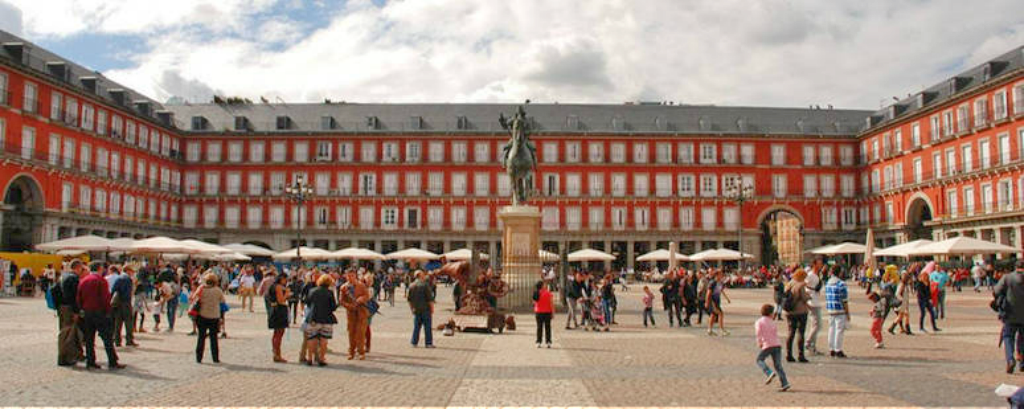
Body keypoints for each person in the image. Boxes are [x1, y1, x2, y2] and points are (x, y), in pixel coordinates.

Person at [77, 264, 125, 370]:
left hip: (87, 312)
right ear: (100, 269)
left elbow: (79, 296)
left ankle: (90, 361)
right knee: (107, 337)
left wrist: (82, 309)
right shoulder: (100, 280)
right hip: (99, 312)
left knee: (89, 338)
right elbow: (105, 297)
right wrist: (108, 311)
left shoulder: (83, 280)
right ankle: (112, 361)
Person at [996, 260, 1024, 373]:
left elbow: (996, 291)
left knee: (1008, 337)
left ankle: (1010, 360)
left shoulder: (1007, 278)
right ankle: (1023, 362)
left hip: (1010, 313)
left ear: (1015, 267)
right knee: (1023, 338)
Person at [755, 304, 791, 392]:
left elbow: (758, 333)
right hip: (777, 345)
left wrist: (760, 343)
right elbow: (775, 333)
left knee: (759, 360)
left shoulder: (759, 322)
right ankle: (785, 382)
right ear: (771, 313)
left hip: (767, 344)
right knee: (778, 365)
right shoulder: (772, 322)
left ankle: (769, 372)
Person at [304, 274, 338, 366]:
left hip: (313, 317)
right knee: (324, 339)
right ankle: (322, 359)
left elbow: (307, 302)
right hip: (326, 318)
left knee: (311, 338)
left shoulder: (312, 291)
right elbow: (333, 307)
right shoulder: (329, 292)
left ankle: (309, 358)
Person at [56, 260, 85, 366]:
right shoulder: (73, 278)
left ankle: (70, 355)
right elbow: (74, 297)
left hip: (62, 307)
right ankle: (64, 358)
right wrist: (76, 311)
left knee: (66, 332)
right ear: (78, 267)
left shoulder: (63, 276)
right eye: (81, 268)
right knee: (68, 334)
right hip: (69, 308)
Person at [195, 273, 225, 363]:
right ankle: (215, 358)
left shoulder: (202, 289)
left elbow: (195, 298)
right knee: (214, 338)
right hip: (214, 316)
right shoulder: (218, 290)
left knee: (201, 337)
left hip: (202, 315)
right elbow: (222, 301)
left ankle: (199, 357)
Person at [341, 269, 371, 359]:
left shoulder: (361, 285)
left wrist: (361, 298)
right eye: (348, 276)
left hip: (361, 313)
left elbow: (367, 295)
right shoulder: (344, 287)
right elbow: (341, 301)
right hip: (351, 313)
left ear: (355, 276)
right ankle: (351, 352)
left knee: (361, 333)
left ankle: (361, 352)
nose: (350, 278)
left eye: (352, 276)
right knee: (351, 333)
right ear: (346, 276)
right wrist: (349, 306)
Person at [784, 270, 811, 363]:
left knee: (790, 333)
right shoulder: (801, 285)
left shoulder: (789, 283)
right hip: (800, 312)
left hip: (789, 312)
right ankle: (801, 355)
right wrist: (809, 296)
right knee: (800, 333)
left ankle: (789, 354)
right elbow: (804, 298)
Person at [265, 274, 291, 363]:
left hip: (274, 309)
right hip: (279, 310)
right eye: (285, 279)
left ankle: (275, 353)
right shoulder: (279, 287)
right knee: (279, 333)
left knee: (276, 333)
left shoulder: (272, 286)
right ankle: (277, 354)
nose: (286, 281)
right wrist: (287, 294)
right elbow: (281, 300)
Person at [824, 270, 849, 358]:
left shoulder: (828, 283)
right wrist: (847, 313)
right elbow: (844, 300)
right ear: (839, 273)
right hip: (840, 309)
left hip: (830, 309)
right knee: (839, 330)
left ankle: (831, 348)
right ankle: (838, 349)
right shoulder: (841, 284)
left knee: (831, 329)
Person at [407, 270, 435, 348]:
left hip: (416, 310)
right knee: (427, 327)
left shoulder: (411, 285)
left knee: (416, 327)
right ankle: (428, 343)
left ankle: (414, 342)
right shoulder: (425, 285)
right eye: (423, 274)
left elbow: (409, 300)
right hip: (425, 309)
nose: (424, 276)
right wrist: (432, 309)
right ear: (420, 276)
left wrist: (412, 309)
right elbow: (430, 299)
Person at [111, 266, 137, 347]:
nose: (133, 273)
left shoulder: (118, 278)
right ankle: (129, 340)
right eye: (132, 271)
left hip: (117, 303)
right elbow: (128, 293)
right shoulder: (128, 279)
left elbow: (113, 290)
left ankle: (117, 340)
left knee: (118, 323)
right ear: (128, 271)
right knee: (128, 322)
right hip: (125, 303)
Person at [705, 270, 731, 336]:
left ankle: (709, 330)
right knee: (720, 314)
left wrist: (727, 298)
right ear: (716, 275)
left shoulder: (720, 283)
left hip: (717, 301)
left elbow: (721, 291)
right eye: (720, 274)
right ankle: (722, 330)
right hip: (712, 301)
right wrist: (707, 302)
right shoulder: (712, 283)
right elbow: (708, 293)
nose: (722, 275)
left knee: (713, 315)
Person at [533, 280, 553, 348]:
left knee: (539, 327)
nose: (545, 285)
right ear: (542, 286)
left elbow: (534, 303)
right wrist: (553, 312)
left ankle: (538, 341)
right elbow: (551, 303)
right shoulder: (548, 293)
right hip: (547, 312)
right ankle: (548, 342)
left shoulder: (536, 293)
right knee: (548, 327)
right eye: (544, 284)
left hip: (538, 312)